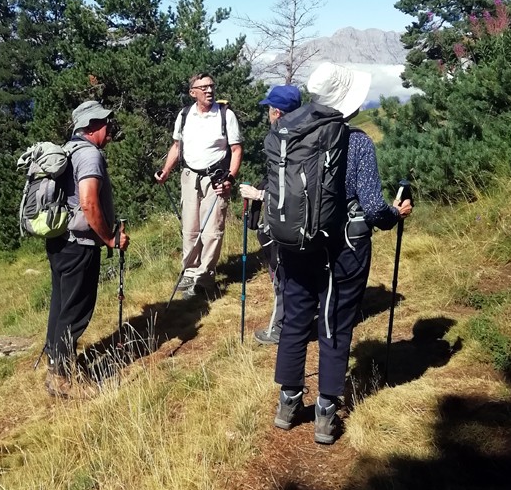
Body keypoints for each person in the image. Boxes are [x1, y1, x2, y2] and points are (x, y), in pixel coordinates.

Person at [273, 62, 413, 443]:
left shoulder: (289, 133)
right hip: (344, 250)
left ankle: (287, 403)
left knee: (296, 319)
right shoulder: (358, 142)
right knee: (334, 324)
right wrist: (394, 215)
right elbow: (372, 208)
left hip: (297, 245)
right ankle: (325, 414)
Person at [44, 100, 130, 399]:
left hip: (58, 241)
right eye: (106, 123)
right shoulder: (90, 155)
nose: (110, 129)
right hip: (79, 244)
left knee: (61, 306)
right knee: (76, 311)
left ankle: (55, 363)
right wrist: (109, 238)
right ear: (93, 125)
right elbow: (89, 202)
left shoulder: (68, 150)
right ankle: (64, 378)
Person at [155, 73, 242, 296]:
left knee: (212, 231)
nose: (209, 91)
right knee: (190, 229)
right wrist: (165, 171)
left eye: (211, 86)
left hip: (216, 178)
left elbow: (236, 150)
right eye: (203, 87)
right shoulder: (184, 115)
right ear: (192, 92)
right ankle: (190, 273)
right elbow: (177, 146)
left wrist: (229, 179)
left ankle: (204, 278)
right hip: (189, 176)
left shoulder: (226, 115)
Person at [239, 84, 303, 344]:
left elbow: (288, 189)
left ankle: (278, 329)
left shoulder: (279, 141)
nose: (268, 113)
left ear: (276, 112)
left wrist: (258, 195)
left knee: (281, 276)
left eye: (269, 108)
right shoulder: (308, 136)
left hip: (282, 222)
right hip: (305, 222)